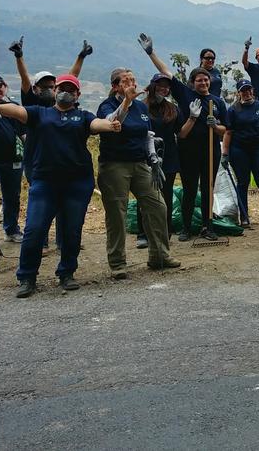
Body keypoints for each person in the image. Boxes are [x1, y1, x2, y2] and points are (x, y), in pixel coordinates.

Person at [0, 74, 122, 298]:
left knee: (72, 230)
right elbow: (14, 111)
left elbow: (97, 124)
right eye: (62, 88)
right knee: (34, 230)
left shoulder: (83, 116)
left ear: (77, 95)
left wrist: (111, 125)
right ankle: (27, 277)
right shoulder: (39, 113)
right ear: (55, 91)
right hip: (45, 183)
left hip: (77, 183)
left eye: (71, 89)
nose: (66, 92)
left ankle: (66, 273)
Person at [139, 34, 229, 242]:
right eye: (199, 80)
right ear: (192, 83)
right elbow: (166, 74)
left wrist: (215, 126)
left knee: (208, 188)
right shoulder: (186, 95)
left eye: (206, 79)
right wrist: (151, 52)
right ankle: (186, 228)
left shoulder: (217, 102)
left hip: (210, 151)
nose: (204, 82)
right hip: (188, 151)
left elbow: (226, 130)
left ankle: (208, 226)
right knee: (189, 188)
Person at [8, 36, 92, 252]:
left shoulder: (65, 104)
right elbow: (24, 79)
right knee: (41, 207)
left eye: (51, 86)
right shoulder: (33, 104)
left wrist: (80, 56)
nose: (50, 89)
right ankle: (41, 242)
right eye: (44, 86)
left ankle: (64, 242)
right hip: (36, 163)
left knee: (65, 207)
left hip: (64, 165)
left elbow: (72, 78)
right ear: (36, 89)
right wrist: (19, 57)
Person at [97, 69, 181, 278]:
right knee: (117, 213)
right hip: (115, 165)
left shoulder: (141, 107)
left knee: (158, 205)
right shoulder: (107, 105)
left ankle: (159, 255)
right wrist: (125, 101)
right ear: (115, 86)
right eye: (125, 81)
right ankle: (118, 263)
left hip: (140, 163)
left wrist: (153, 158)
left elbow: (147, 135)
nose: (131, 84)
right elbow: (112, 122)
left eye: (133, 80)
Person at [134, 74, 185, 244]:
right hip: (146, 156)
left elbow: (181, 132)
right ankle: (143, 234)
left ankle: (165, 230)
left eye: (167, 86)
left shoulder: (172, 109)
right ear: (152, 86)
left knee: (166, 194)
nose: (164, 89)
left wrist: (192, 117)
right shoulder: (141, 107)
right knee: (145, 194)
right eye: (160, 85)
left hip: (168, 156)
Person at [223, 79, 259, 226]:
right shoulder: (233, 110)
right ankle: (244, 216)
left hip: (257, 149)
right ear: (238, 93)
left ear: (252, 90)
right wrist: (225, 153)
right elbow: (228, 132)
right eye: (243, 90)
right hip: (239, 149)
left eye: (248, 89)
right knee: (243, 182)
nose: (246, 93)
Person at [0, 74, 25, 245]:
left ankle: (11, 230)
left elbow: (23, 132)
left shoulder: (13, 107)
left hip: (14, 160)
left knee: (12, 195)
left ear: (5, 87)